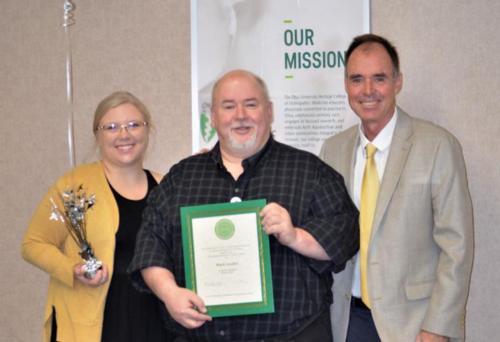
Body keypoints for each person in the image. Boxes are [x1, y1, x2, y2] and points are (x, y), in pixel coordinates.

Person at [128, 69, 359, 341]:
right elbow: (150, 244)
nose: (240, 115)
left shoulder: (311, 172)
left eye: (251, 104)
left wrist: (295, 236)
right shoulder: (181, 178)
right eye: (228, 106)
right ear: (213, 116)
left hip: (293, 334)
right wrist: (170, 294)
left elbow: (346, 237)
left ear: (269, 111)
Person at [320, 34, 474, 342]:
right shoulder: (332, 150)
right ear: (346, 85)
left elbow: (457, 247)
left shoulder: (437, 145)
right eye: (357, 79)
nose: (367, 91)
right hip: (348, 322)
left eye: (379, 78)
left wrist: (437, 327)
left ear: (398, 82)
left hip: (415, 326)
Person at [22, 91, 168, 342]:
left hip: (153, 320)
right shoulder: (74, 186)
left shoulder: (167, 187)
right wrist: (73, 269)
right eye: (111, 127)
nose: (124, 134)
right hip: (93, 323)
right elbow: (32, 245)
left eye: (134, 125)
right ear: (97, 135)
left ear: (148, 130)